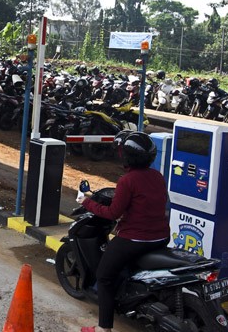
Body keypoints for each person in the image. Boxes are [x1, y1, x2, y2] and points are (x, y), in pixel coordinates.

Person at [77, 131, 170, 332]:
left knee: (104, 276)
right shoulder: (157, 176)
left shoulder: (128, 181)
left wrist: (87, 202)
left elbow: (112, 213)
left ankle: (104, 328)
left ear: (127, 157)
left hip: (135, 239)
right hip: (161, 237)